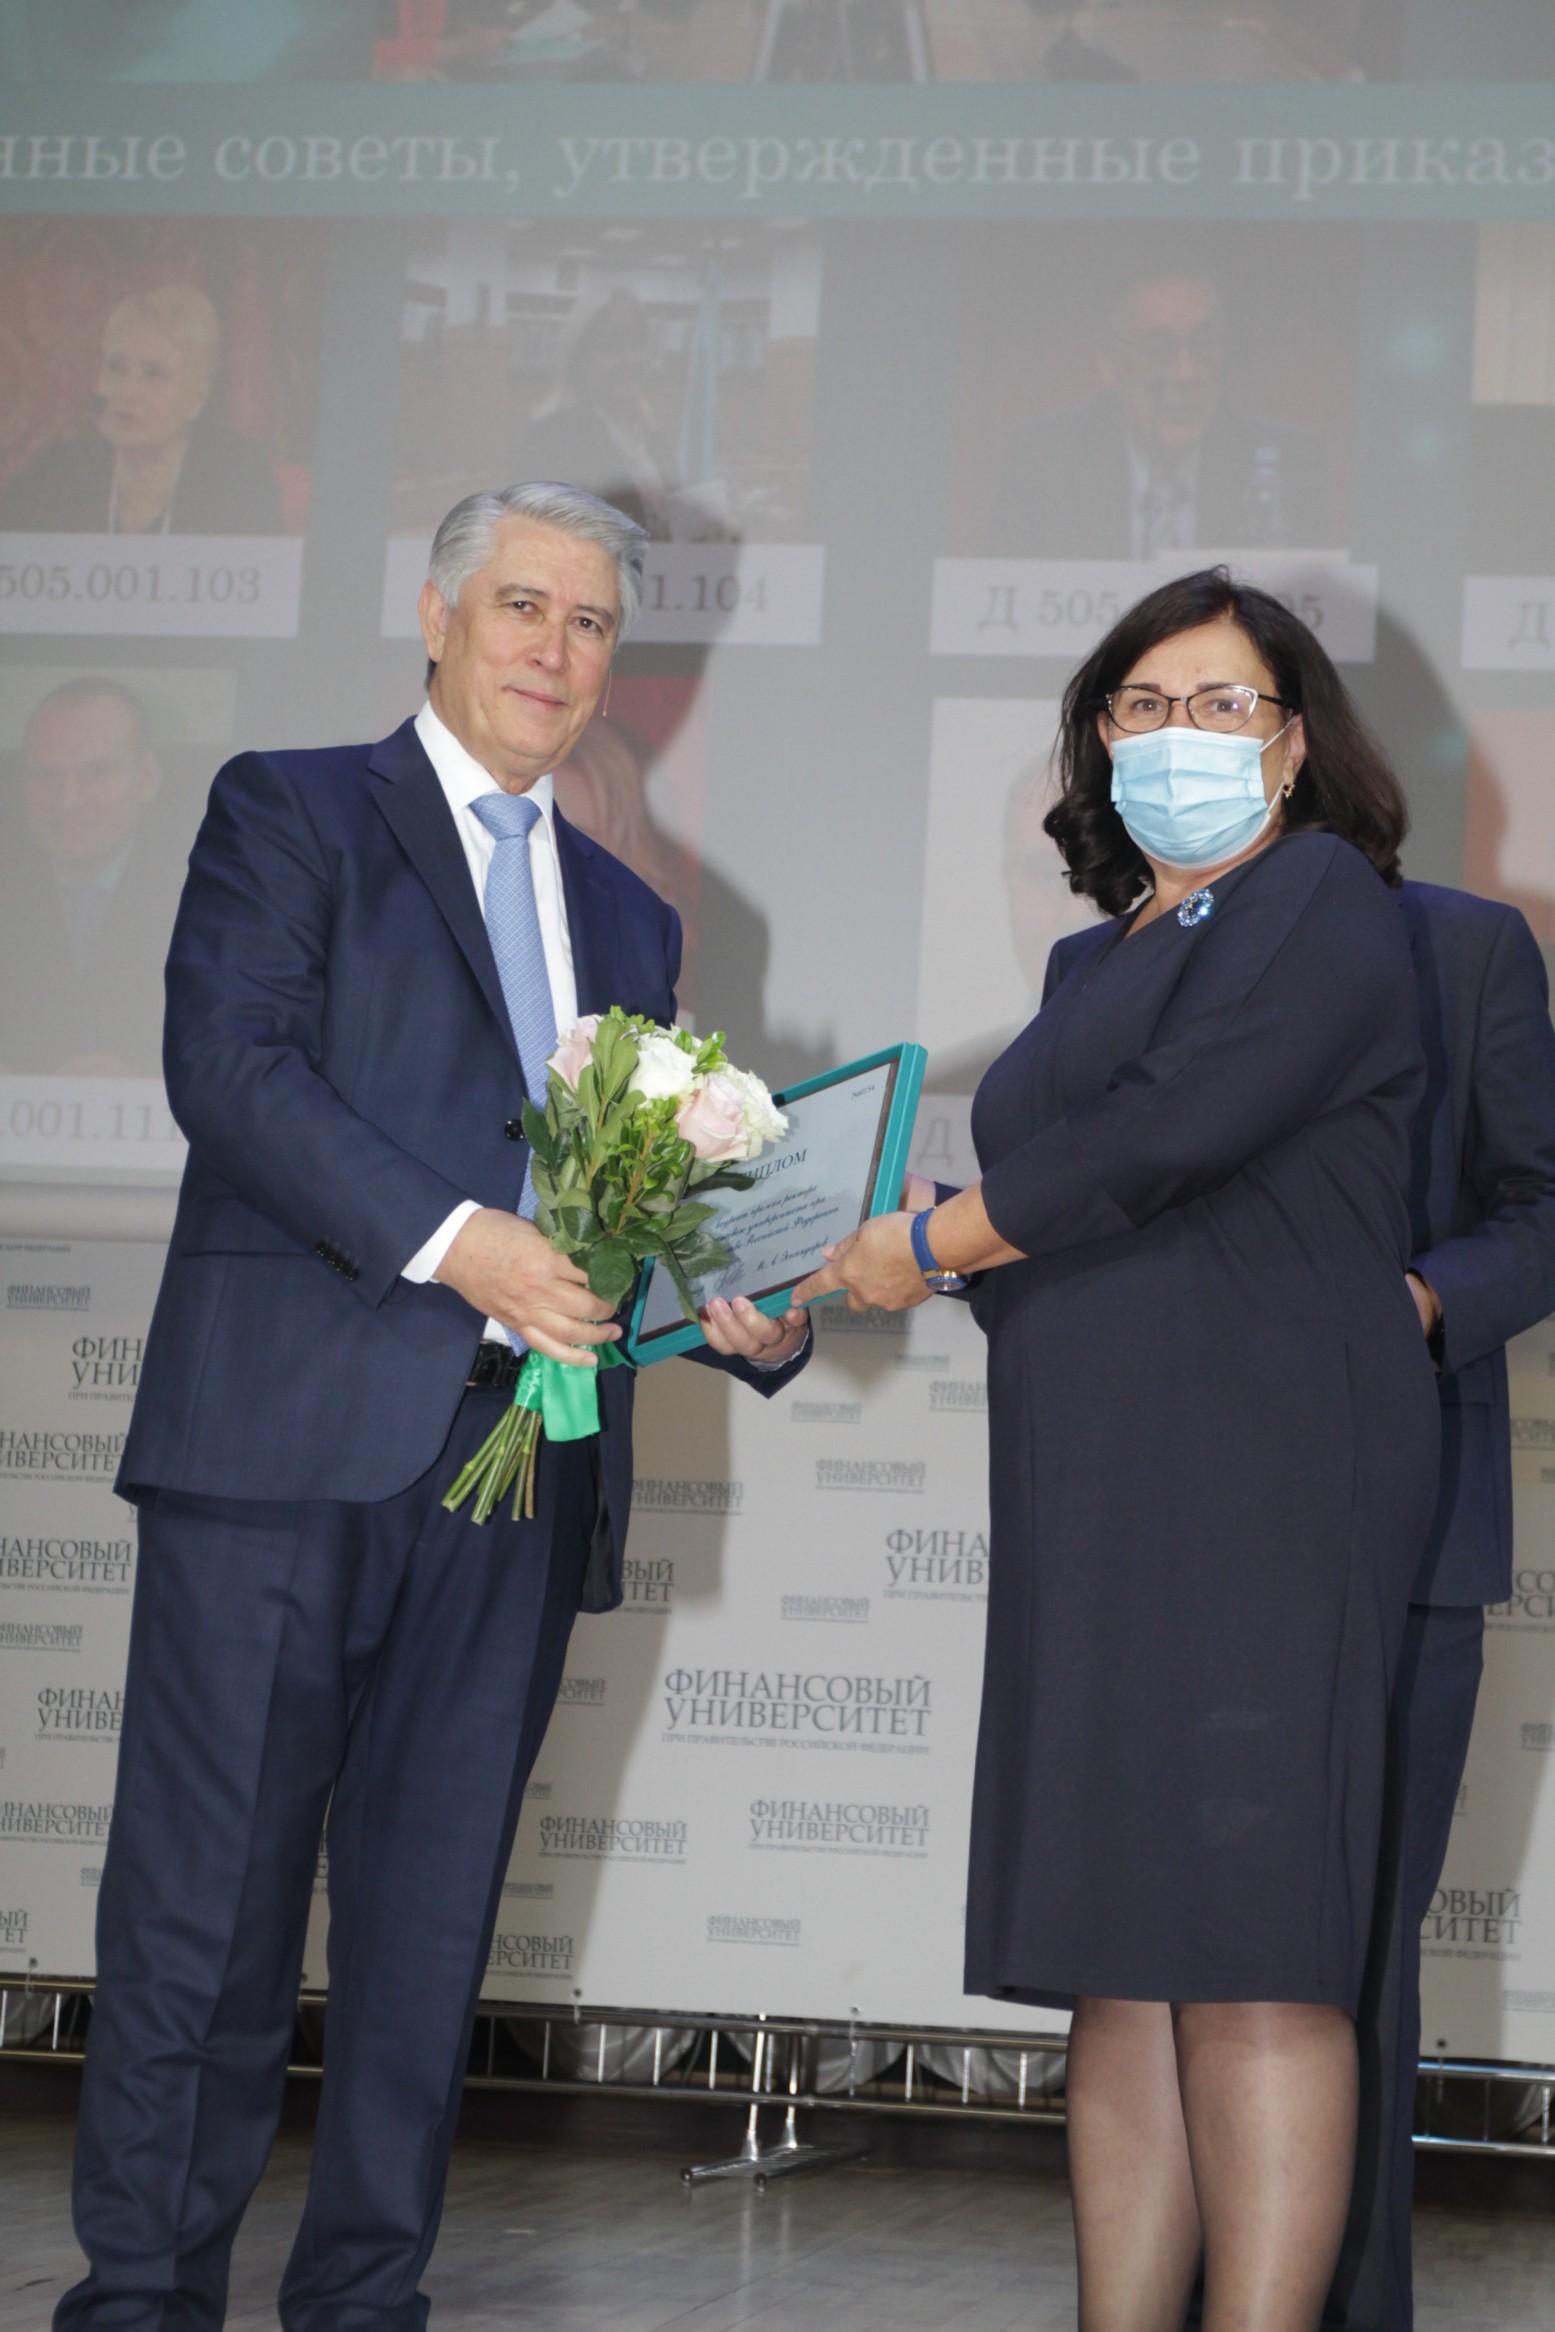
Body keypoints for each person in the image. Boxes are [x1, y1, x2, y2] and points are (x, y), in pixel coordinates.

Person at [55, 480, 809, 2332]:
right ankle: (141, 2300)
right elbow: (230, 1069)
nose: (558, 648)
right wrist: (463, 1243)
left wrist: (746, 1305)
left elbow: (636, 1205)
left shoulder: (633, 918)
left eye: (591, 623)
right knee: (204, 1915)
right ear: (438, 614)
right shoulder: (291, 808)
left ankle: (365, 2299)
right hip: (284, 1453)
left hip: (522, 1474)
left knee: (426, 1934)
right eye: (524, 606)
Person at [796, 567, 1440, 2332]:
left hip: (1264, 1480)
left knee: (1248, 1952)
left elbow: (1168, 1135)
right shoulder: (1095, 959)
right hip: (1091, 1478)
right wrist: (823, 1267)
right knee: (1122, 1958)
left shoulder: (1321, 900)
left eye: (1224, 704)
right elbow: (1057, 1216)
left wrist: (931, 1243)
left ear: (1293, 745)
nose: (1179, 735)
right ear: (1096, 737)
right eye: (1143, 705)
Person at [1320, 879, 1555, 2328]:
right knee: (1178, 1960)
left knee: (1355, 1958)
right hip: (1177, 1536)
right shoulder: (1147, 951)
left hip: (1406, 1537)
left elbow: (1540, 1210)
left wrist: (1415, 1301)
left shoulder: (1461, 948)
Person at [988, 269, 1332, 558]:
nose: (1186, 374)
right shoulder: (1044, 460)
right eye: (1159, 348)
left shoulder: (1292, 462)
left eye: (1203, 345)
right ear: (1108, 361)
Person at [0, 677, 188, 1076]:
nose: (67, 801)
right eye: (46, 775)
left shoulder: (208, 885)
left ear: (147, 779)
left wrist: (144, 1080)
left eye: (96, 772)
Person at [0, 283, 284, 535]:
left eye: (153, 375)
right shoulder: (57, 475)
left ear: (197, 397)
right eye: (116, 368)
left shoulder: (239, 479)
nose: (126, 392)